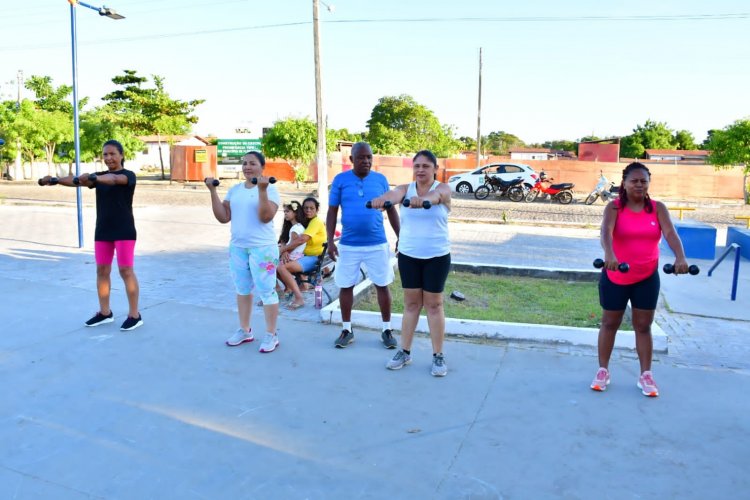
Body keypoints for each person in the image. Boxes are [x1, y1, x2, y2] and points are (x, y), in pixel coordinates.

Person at [591, 162, 689, 397]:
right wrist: (610, 255)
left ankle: (646, 375)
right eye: (634, 180)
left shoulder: (658, 208)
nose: (639, 184)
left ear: (648, 183)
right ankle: (603, 370)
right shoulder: (614, 208)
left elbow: (670, 234)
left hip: (646, 276)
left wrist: (680, 258)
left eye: (643, 181)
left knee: (643, 326)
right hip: (616, 274)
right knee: (609, 323)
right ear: (624, 183)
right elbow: (606, 232)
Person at [38, 140, 143, 331]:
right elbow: (77, 180)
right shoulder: (99, 177)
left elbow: (112, 179)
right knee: (102, 271)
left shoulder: (128, 175)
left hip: (124, 230)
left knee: (125, 271)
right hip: (102, 230)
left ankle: (135, 315)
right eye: (105, 155)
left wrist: (92, 178)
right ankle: (105, 313)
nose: (109, 158)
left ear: (121, 155)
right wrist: (54, 180)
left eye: (112, 154)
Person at [369, 150, 452, 377]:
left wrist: (423, 200)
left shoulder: (443, 189)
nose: (421, 170)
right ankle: (404, 352)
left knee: (434, 305)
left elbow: (436, 198)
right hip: (409, 255)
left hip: (437, 256)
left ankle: (438, 355)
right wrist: (382, 201)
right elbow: (393, 195)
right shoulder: (406, 189)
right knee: (411, 305)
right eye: (417, 166)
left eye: (426, 166)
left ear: (435, 169)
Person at [326, 142, 400, 349]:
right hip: (348, 245)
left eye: (369, 157)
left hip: (377, 244)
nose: (366, 161)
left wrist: (400, 236)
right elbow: (332, 211)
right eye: (361, 157)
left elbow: (392, 209)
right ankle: (347, 329)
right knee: (345, 285)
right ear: (351, 160)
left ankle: (387, 329)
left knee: (382, 285)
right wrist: (330, 241)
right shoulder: (340, 180)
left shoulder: (381, 180)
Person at [205, 151, 281, 353]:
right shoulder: (235, 190)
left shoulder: (271, 189)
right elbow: (223, 217)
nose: (247, 167)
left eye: (252, 163)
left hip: (263, 248)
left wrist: (262, 190)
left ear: (262, 167)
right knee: (242, 289)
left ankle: (271, 334)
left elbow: (265, 217)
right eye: (245, 163)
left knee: (266, 290)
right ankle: (245, 330)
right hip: (238, 247)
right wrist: (212, 191)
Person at [276, 197, 327, 310]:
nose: (308, 210)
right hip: (306, 256)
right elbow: (287, 237)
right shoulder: (306, 222)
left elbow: (300, 240)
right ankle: (289, 288)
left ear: (317, 209)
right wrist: (285, 248)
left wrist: (283, 250)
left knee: (281, 268)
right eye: (306, 208)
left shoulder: (315, 222)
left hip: (314, 259)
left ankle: (298, 298)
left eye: (311, 208)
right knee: (275, 265)